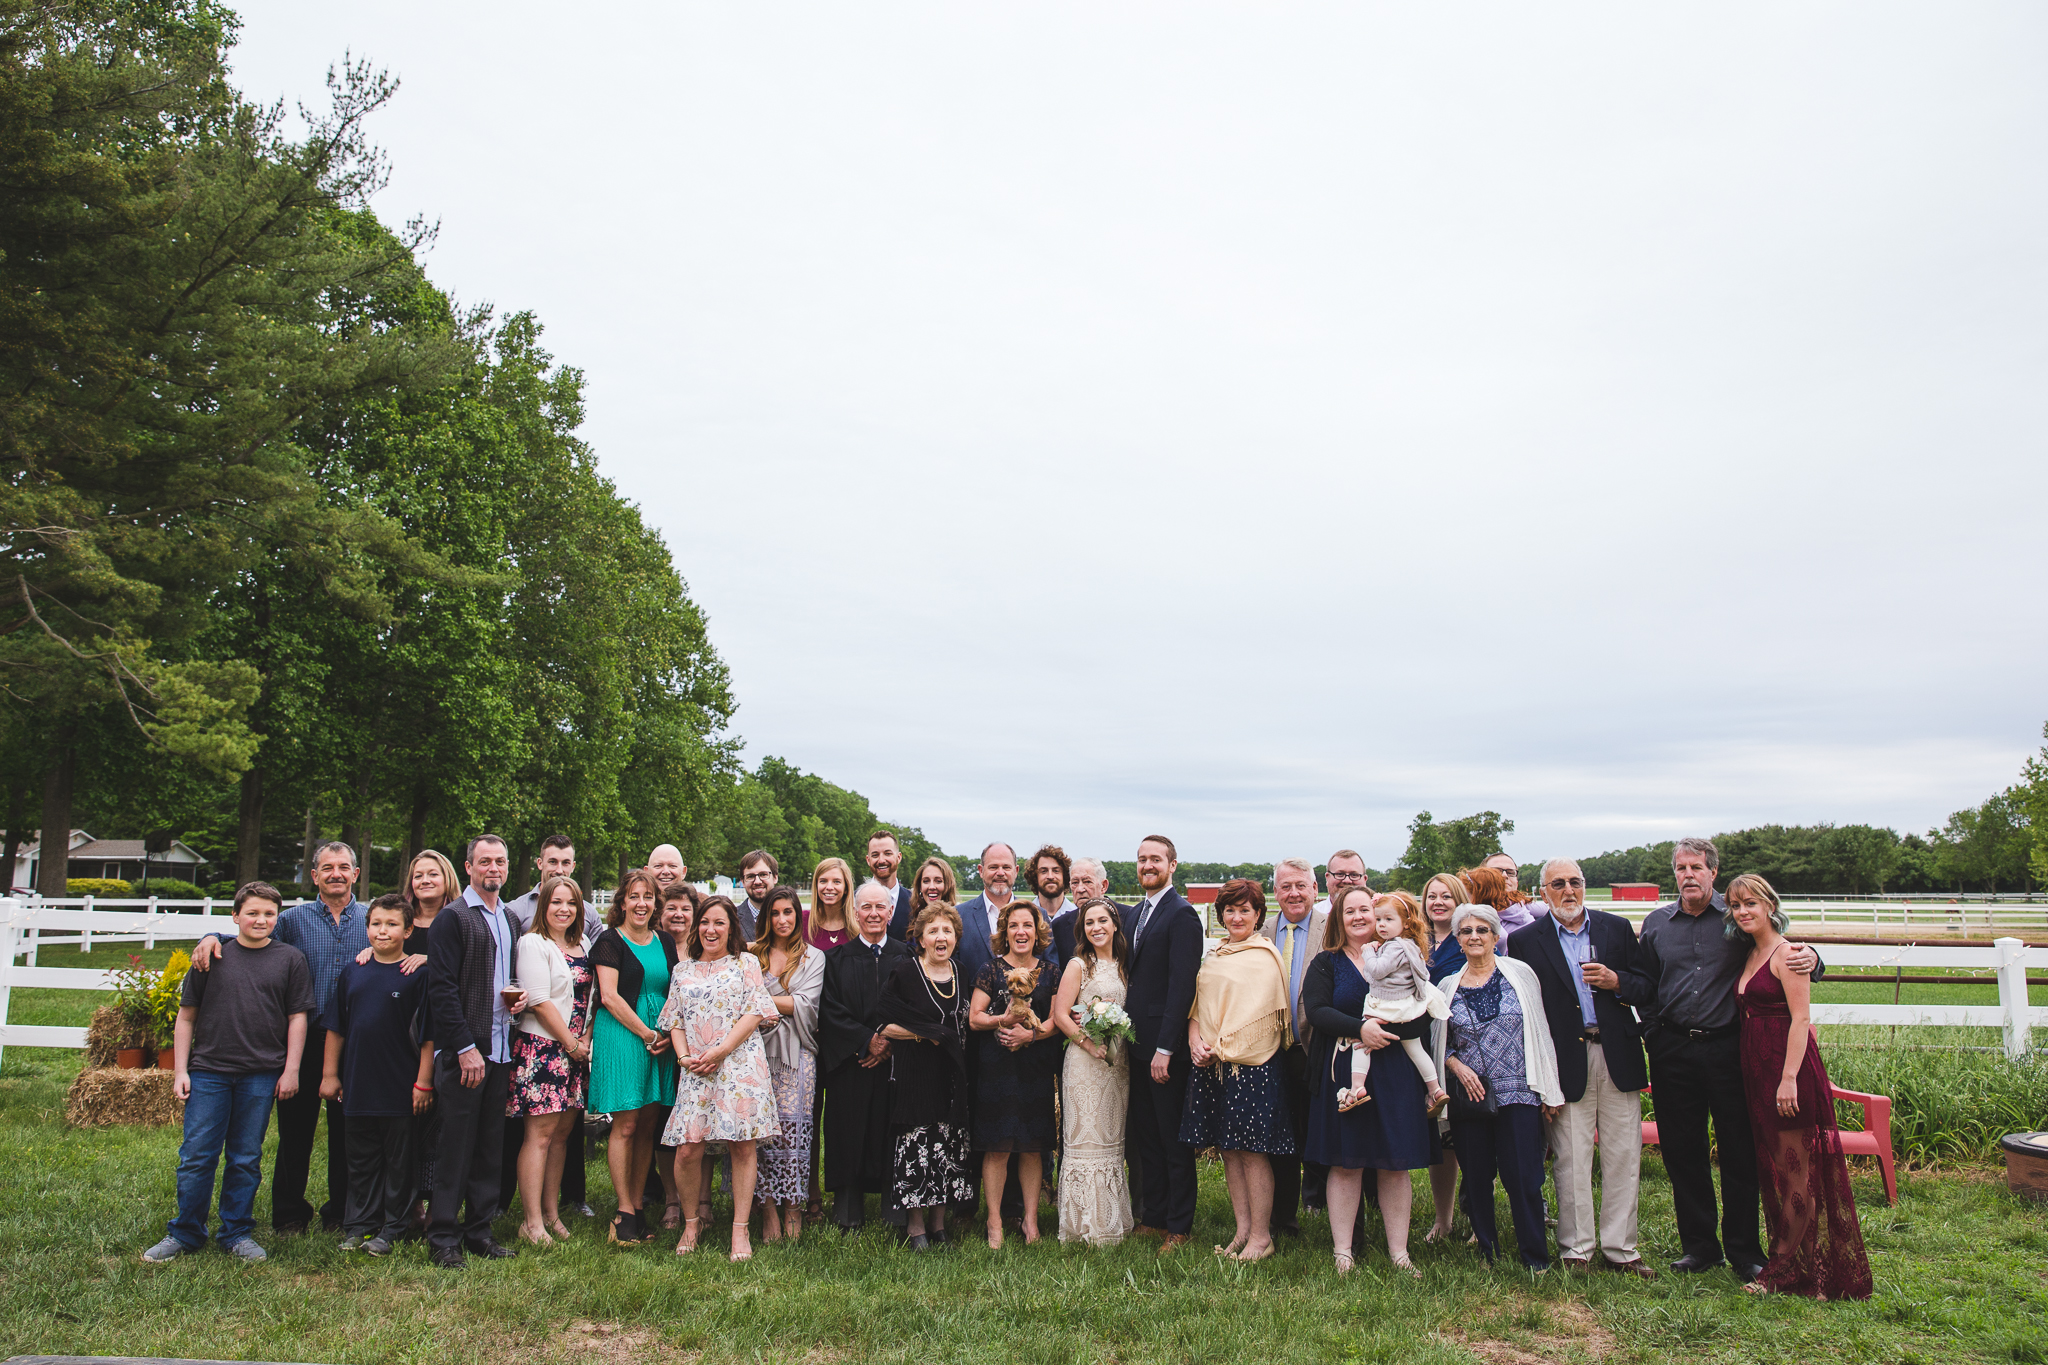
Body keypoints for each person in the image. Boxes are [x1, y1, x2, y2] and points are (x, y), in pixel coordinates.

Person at [1624, 837, 1822, 1281]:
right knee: (1682, 1150)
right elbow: (1643, 982)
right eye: (1680, 868)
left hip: (1729, 1049)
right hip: (1672, 1049)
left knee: (1738, 1150)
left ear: (1713, 871)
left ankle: (1743, 1250)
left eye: (1696, 867)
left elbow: (1780, 949)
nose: (1688, 875)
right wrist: (1653, 1032)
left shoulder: (1735, 916)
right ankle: (1699, 1246)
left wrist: (1815, 957)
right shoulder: (1657, 924)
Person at [185, 840, 367, 1233]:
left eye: (344, 867)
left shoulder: (372, 919)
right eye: (326, 867)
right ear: (315, 875)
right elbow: (253, 935)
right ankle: (289, 1214)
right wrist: (212, 935)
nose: (335, 873)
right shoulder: (293, 921)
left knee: (348, 1132)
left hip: (354, 1042)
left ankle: (341, 1212)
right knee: (294, 1132)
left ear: (356, 873)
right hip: (299, 1040)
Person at [143, 882, 313, 1265]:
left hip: (261, 1073)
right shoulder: (212, 956)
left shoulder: (290, 959)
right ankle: (185, 1232)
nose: (261, 919)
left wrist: (291, 1070)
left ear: (278, 918)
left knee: (245, 1157)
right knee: (197, 1155)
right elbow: (186, 1017)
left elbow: (297, 1018)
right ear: (235, 916)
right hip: (208, 1072)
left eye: (269, 913)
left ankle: (236, 1232)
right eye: (252, 912)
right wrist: (180, 1070)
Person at [1506, 859, 1656, 1278]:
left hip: (1616, 1054)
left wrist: (1617, 982)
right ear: (1544, 891)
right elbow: (1527, 1016)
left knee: (1623, 1153)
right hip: (1563, 1059)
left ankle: (1621, 1248)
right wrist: (1540, 1080)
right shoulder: (1525, 941)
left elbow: (1646, 987)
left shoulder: (1616, 929)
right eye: (1558, 884)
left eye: (1575, 882)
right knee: (1571, 1154)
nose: (1569, 890)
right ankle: (1577, 1250)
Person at [1727, 873, 1872, 1300]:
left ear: (1770, 905)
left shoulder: (1789, 954)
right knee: (1778, 1173)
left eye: (1751, 903)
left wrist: (1789, 1078)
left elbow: (1801, 1019)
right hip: (1758, 1073)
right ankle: (1801, 1269)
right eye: (1736, 906)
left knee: (1797, 1176)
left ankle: (1789, 1273)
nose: (1743, 912)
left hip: (1787, 1073)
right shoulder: (1751, 953)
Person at [1302, 886, 1437, 1276]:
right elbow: (1318, 1011)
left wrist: (1396, 1026)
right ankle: (1343, 1252)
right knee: (1346, 1162)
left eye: (1367, 910)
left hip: (1396, 1067)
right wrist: (1361, 1028)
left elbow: (1425, 1004)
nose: (1360, 917)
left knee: (1394, 1163)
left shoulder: (1402, 951)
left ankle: (1400, 1252)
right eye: (1351, 912)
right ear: (1338, 919)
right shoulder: (1327, 963)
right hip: (1347, 1068)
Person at [1432, 904, 1562, 1269]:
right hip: (1470, 1096)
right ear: (1458, 940)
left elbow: (1540, 1030)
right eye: (1467, 931)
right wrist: (1456, 1066)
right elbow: (1438, 1042)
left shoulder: (1520, 975)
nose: (1474, 936)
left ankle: (1534, 1256)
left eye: (1482, 930)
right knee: (1475, 1175)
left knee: (1523, 1176)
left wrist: (1549, 1089)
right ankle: (1488, 1250)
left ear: (1495, 935)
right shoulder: (1447, 986)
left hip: (1519, 1090)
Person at [424, 834, 528, 1268]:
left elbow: (507, 979)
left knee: (490, 1145)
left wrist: (517, 1001)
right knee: (455, 1146)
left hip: (502, 1049)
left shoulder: (508, 918)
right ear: (468, 867)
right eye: (484, 861)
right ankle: (443, 1235)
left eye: (500, 862)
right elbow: (441, 989)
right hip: (468, 1052)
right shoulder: (453, 918)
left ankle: (478, 1231)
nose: (493, 869)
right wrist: (465, 1047)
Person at [1179, 878, 1294, 1262]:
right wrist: (1196, 1041)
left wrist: (1222, 1050)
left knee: (1252, 1152)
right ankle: (1242, 1229)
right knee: (1229, 1150)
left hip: (1251, 1067)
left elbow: (1264, 1018)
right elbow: (1198, 1007)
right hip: (1212, 1065)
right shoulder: (1215, 954)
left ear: (1259, 914)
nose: (1237, 916)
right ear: (1220, 914)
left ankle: (1262, 1235)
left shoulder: (1264, 956)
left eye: (1245, 910)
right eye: (1230, 909)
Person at [660, 895, 780, 1262]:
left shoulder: (745, 963)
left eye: (719, 923)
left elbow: (754, 1012)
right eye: (705, 923)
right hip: (696, 1068)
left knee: (742, 1145)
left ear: (731, 929)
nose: (711, 929)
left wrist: (722, 1050)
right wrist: (683, 1057)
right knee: (687, 1149)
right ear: (698, 927)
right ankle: (692, 1221)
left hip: (738, 1065)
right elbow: (674, 1019)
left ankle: (740, 1230)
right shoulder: (683, 970)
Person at [320, 894, 433, 1254]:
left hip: (400, 1087)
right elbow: (336, 1027)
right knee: (361, 1159)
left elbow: (430, 1036)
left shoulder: (418, 976)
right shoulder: (354, 970)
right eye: (376, 924)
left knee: (400, 1162)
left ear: (408, 929)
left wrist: (423, 1082)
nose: (382, 931)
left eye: (391, 924)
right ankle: (359, 1225)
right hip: (357, 1084)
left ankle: (393, 1227)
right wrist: (329, 1075)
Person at [498, 837, 601, 1223]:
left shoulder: (585, 943)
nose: (564, 909)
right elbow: (540, 1002)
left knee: (561, 1139)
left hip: (576, 1052)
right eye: (556, 902)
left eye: (571, 903)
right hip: (543, 1050)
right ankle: (531, 1222)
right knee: (538, 1138)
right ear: (544, 905)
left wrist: (585, 1041)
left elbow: (591, 998)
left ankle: (552, 1214)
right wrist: (571, 1043)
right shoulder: (533, 944)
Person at [587, 868, 677, 1246]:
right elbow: (608, 996)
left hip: (661, 1039)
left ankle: (638, 1205)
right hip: (625, 1034)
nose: (642, 904)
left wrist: (669, 1035)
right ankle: (623, 1212)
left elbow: (675, 990)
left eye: (649, 897)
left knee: (647, 1123)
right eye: (634, 896)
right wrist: (646, 1032)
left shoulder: (666, 941)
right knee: (625, 1123)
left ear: (656, 903)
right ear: (621, 902)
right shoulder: (610, 941)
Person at [877, 901, 974, 1250]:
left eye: (947, 930)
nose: (940, 936)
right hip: (915, 1074)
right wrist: (925, 1033)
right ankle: (915, 1226)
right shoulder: (905, 972)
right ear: (920, 938)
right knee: (918, 1146)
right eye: (933, 930)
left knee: (947, 1146)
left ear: (955, 937)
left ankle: (939, 1224)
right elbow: (884, 1023)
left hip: (951, 1075)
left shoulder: (962, 972)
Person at [1123, 834, 1203, 1253]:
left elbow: (1182, 986)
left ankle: (1179, 1224)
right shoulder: (1135, 914)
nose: (1147, 865)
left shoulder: (1182, 915)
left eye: (1155, 859)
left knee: (1173, 1139)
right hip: (1135, 1046)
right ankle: (1153, 1217)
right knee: (1147, 1136)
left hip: (1163, 1049)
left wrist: (1167, 1048)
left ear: (1173, 865)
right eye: (1141, 859)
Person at [818, 881, 913, 1231]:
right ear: (855, 913)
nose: (873, 913)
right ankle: (847, 1212)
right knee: (848, 1132)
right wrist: (865, 1041)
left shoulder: (907, 957)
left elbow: (914, 1008)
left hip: (895, 1065)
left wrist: (888, 1043)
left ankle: (895, 1212)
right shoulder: (835, 959)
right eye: (866, 908)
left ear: (891, 912)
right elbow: (829, 1010)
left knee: (893, 1133)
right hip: (852, 1064)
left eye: (880, 907)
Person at [968, 900, 1061, 1247]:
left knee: (1033, 1148)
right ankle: (994, 1222)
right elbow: (975, 1017)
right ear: (1004, 932)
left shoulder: (1051, 972)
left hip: (1035, 1068)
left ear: (1038, 932)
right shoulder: (989, 970)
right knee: (997, 1147)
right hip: (998, 1068)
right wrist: (1002, 1021)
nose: (1021, 932)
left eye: (1027, 926)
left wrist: (1030, 1033)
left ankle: (1031, 1222)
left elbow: (1056, 1020)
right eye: (1013, 926)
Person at [1050, 897, 1134, 1245]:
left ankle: (1111, 1219)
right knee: (1086, 1140)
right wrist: (1089, 1045)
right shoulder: (1077, 965)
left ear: (1115, 924)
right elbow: (1059, 1015)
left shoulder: (1123, 965)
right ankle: (1083, 1226)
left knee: (1111, 1141)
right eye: (1089, 923)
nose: (1096, 928)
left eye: (1102, 921)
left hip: (1117, 1064)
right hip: (1085, 1063)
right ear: (1082, 930)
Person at [749, 884, 825, 1242]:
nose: (782, 919)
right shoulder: (751, 956)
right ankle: (767, 1210)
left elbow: (805, 1006)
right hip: (753, 1054)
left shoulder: (813, 958)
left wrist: (760, 997)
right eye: (775, 913)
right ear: (766, 917)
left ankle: (793, 1205)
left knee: (793, 1134)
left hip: (797, 1056)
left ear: (798, 916)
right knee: (760, 1133)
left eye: (788, 912)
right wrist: (777, 1001)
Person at [1337, 891, 1450, 1114]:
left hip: (1388, 1005)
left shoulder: (1395, 946)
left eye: (1389, 920)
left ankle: (1357, 1087)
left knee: (1362, 1042)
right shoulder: (1409, 946)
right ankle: (1435, 1089)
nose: (1381, 925)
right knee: (1415, 1047)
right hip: (1405, 1007)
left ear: (1406, 923)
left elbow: (1376, 972)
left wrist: (1368, 952)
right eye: (1378, 919)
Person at [1262, 857, 1326, 1230]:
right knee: (1279, 1139)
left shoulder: (1331, 927)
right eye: (1286, 886)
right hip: (1272, 1051)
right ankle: (1282, 1219)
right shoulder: (1263, 929)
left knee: (1320, 1135)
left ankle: (1337, 1214)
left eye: (1301, 885)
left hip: (1316, 1047)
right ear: (1276, 892)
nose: (1294, 893)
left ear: (1315, 890)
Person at [403, 849, 460, 1226]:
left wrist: (429, 959)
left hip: (442, 1032)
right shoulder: (401, 922)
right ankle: (405, 1204)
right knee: (403, 1124)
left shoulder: (456, 920)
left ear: (447, 879)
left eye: (432, 874)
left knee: (438, 1124)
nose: (425, 880)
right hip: (399, 1031)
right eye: (418, 875)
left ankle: (434, 1201)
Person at [1418, 872, 1469, 1244]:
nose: (1438, 902)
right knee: (1440, 1137)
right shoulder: (1413, 939)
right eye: (1431, 896)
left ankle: (1479, 1210)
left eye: (1446, 896)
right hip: (1418, 1045)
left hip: (1459, 1046)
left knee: (1466, 1135)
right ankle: (1443, 1218)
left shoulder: (1469, 938)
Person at [648, 881, 701, 1229]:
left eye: (685, 908)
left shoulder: (704, 949)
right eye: (671, 907)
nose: (678, 914)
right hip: (663, 1051)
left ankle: (701, 1200)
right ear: (660, 912)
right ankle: (670, 1200)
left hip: (700, 1055)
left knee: (698, 1131)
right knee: (665, 1127)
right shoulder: (655, 948)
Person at [954, 842, 1017, 981]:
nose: (1000, 873)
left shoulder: (1038, 916)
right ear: (981, 871)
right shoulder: (958, 916)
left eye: (1006, 867)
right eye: (993, 867)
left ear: (1016, 871)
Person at [1056, 857, 1116, 964]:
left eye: (1087, 882)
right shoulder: (1058, 926)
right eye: (1075, 882)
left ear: (1103, 886)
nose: (1080, 889)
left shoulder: (1128, 917)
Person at [1463, 865, 1537, 941]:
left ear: (1480, 895)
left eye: (1466, 894)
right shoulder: (1516, 909)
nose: (1462, 900)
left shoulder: (1491, 920)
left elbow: (1502, 939)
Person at [1026, 844, 1074, 963]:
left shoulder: (1077, 916)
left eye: (1056, 871)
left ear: (1065, 876)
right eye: (1043, 871)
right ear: (1035, 877)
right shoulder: (1024, 917)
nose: (1050, 876)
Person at [866, 830, 915, 940]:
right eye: (875, 855)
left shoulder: (915, 903)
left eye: (887, 854)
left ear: (898, 857)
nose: (881, 860)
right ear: (868, 860)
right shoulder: (854, 901)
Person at [806, 856, 856, 953]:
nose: (829, 887)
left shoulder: (860, 922)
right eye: (823, 881)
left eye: (837, 882)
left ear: (846, 887)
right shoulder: (802, 921)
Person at [908, 856, 959, 940]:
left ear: (948, 885)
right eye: (926, 881)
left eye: (938, 881)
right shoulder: (911, 919)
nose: (931, 887)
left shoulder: (960, 921)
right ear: (920, 886)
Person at [735, 849, 778, 944]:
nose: (757, 881)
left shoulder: (791, 917)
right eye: (750, 876)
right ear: (743, 882)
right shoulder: (732, 918)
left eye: (763, 874)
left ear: (775, 877)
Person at [1313, 848, 1370, 917]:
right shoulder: (1312, 917)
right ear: (1327, 878)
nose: (1347, 880)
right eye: (1340, 874)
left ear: (1365, 879)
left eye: (1354, 875)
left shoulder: (1379, 915)